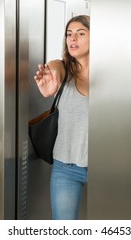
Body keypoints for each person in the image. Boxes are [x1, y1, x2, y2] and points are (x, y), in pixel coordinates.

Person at [34, 15, 90, 220]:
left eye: (81, 33)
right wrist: (51, 76)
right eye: (69, 34)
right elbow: (55, 66)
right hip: (67, 168)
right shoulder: (65, 69)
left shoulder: (110, 73)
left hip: (108, 165)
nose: (73, 38)